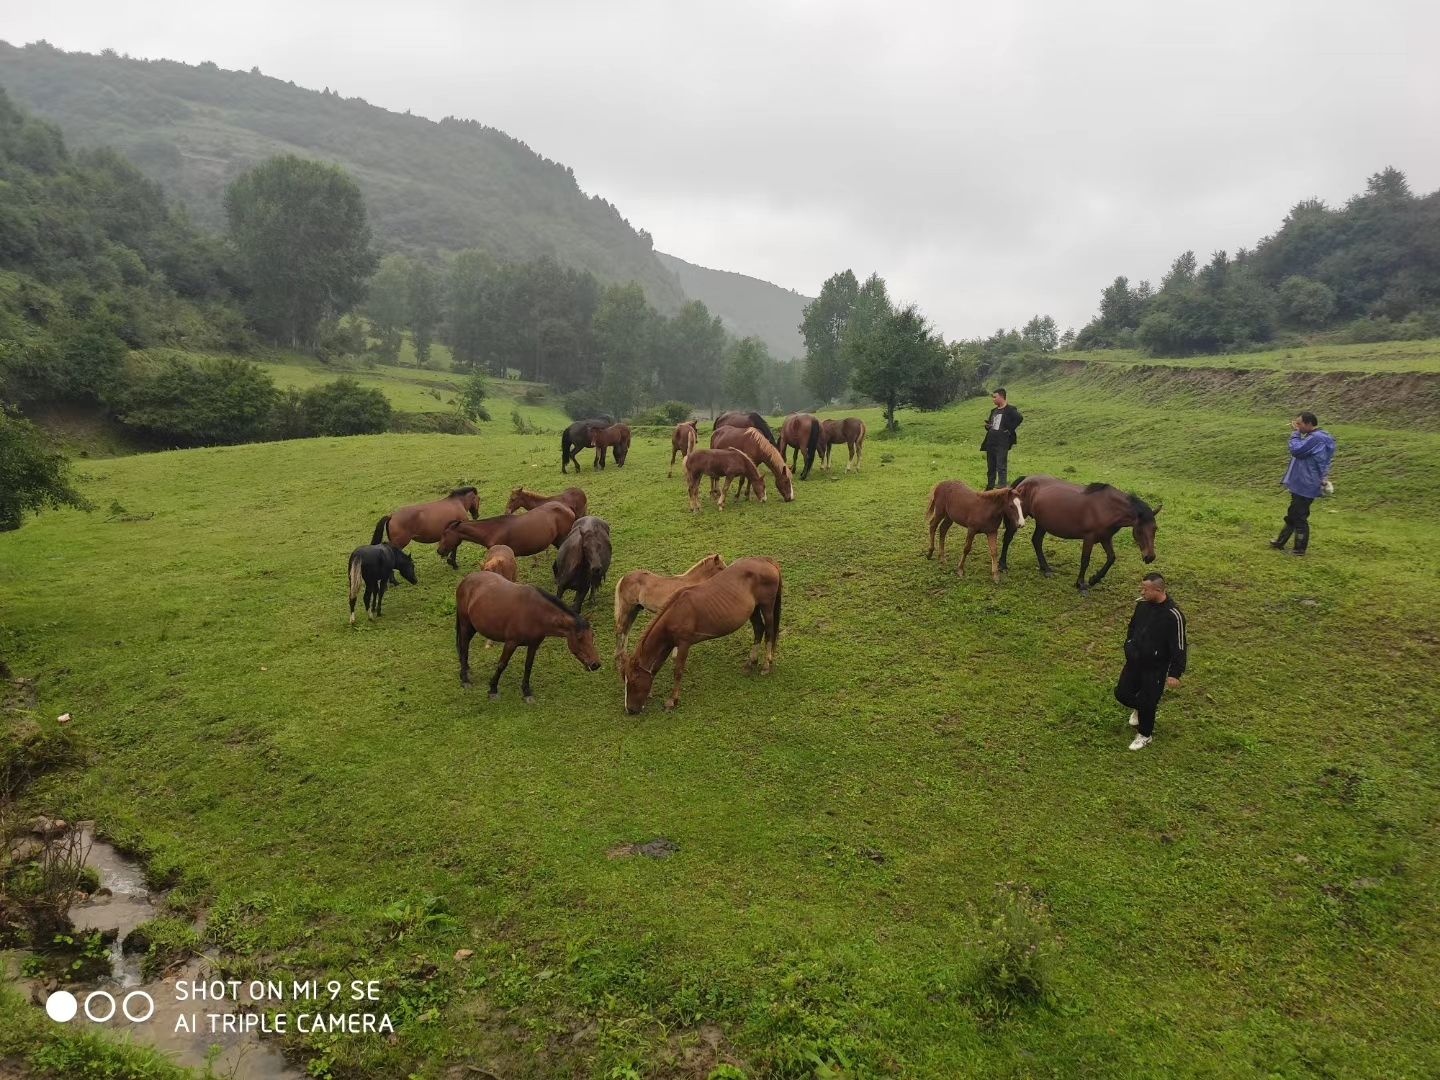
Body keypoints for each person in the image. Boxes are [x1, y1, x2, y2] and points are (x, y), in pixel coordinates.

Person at [1114, 571, 1187, 751]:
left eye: (1145, 589)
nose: (1142, 592)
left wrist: (1175, 673)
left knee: (1149, 699)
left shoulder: (1173, 615)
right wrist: (1129, 645)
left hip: (1155, 667)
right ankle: (1144, 708)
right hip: (1134, 661)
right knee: (1121, 693)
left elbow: (1180, 645)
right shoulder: (1142, 606)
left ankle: (1145, 734)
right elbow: (1132, 627)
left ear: (1158, 590)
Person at [1270, 411, 1336, 557]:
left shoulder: (1316, 439)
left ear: (1309, 424)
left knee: (1299, 516)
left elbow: (1297, 450)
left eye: (1299, 424)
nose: (1297, 426)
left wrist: (1295, 434)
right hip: (1304, 482)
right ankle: (1280, 541)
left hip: (1306, 484)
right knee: (1293, 513)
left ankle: (1299, 549)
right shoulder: (1321, 438)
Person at [979, 388, 1023, 490]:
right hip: (990, 442)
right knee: (991, 467)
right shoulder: (993, 411)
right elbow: (991, 423)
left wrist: (1010, 429)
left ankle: (1002, 488)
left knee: (1001, 466)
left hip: (1002, 442)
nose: (993, 399)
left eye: (995, 397)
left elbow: (1019, 418)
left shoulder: (1010, 409)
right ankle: (990, 488)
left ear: (1001, 397)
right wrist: (988, 426)